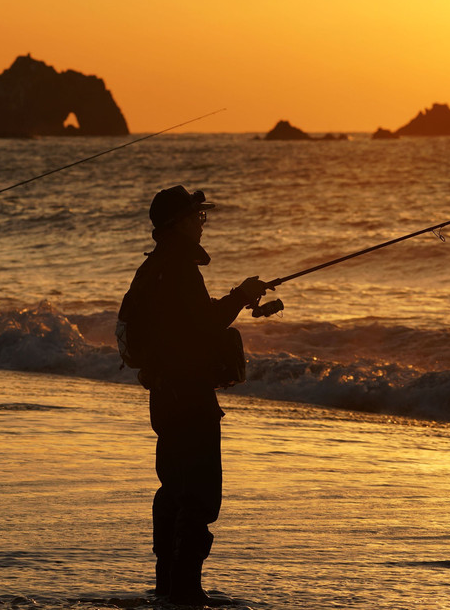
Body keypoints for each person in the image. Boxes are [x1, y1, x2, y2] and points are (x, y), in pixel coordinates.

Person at [119, 185, 267, 606]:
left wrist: (238, 298)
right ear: (178, 223)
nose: (201, 225)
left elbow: (181, 326)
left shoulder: (150, 269)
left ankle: (167, 584)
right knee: (199, 496)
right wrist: (241, 295)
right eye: (196, 218)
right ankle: (185, 590)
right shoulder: (181, 267)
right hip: (189, 396)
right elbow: (203, 325)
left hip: (163, 396)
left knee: (172, 491)